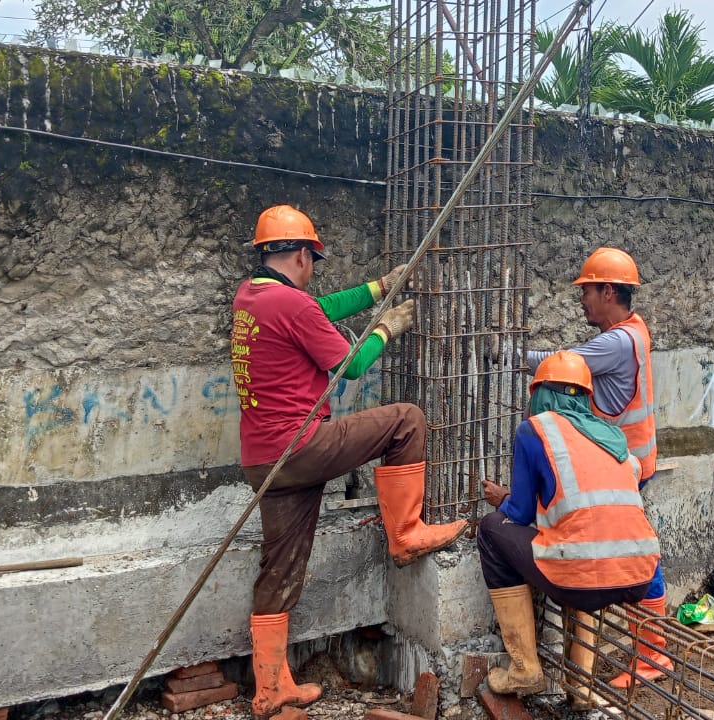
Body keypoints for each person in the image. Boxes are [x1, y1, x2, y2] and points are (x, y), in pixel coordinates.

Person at [231, 204, 467, 718]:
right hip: (302, 445)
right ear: (300, 254)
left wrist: (380, 286)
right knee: (406, 420)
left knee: (281, 568)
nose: (313, 268)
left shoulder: (252, 297)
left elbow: (319, 309)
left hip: (264, 460)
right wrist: (386, 326)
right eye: (312, 259)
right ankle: (404, 534)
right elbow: (352, 365)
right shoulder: (291, 308)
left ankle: (271, 689)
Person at [478, 351, 661, 697]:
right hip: (640, 577)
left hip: (581, 579)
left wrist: (501, 498)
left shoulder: (535, 430)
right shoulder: (612, 435)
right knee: (580, 551)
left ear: (541, 393)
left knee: (491, 530)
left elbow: (517, 514)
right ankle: (580, 685)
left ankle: (525, 668)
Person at [525, 247, 668, 687]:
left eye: (587, 291)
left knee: (633, 559)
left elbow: (557, 366)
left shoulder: (617, 342)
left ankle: (651, 660)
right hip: (628, 461)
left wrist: (502, 350)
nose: (582, 300)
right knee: (634, 554)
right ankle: (646, 656)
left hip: (622, 466)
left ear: (609, 291)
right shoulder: (635, 332)